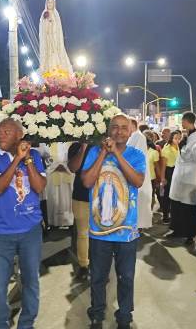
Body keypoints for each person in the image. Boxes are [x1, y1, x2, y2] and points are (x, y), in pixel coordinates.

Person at [81, 114, 145, 329]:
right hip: (99, 231)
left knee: (126, 277)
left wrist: (116, 153)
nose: (118, 131)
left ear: (130, 132)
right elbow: (88, 181)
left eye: (123, 128)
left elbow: (137, 180)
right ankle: (97, 313)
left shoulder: (136, 154)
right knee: (98, 276)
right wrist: (102, 154)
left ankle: (125, 316)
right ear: (108, 130)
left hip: (126, 230)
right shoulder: (93, 152)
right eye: (114, 127)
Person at [0, 118, 47, 329]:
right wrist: (16, 160)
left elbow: (39, 187)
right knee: (0, 283)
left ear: (19, 135)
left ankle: (26, 324)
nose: (1, 134)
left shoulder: (36, 156)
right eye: (0, 131)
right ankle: (0, 324)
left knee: (31, 280)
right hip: (1, 232)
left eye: (6, 131)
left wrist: (27, 159)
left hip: (30, 230)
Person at [168, 112, 196, 245]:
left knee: (188, 208)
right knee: (177, 205)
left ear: (186, 121)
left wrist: (181, 145)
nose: (181, 124)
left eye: (182, 121)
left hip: (190, 177)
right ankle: (177, 230)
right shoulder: (188, 134)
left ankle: (190, 234)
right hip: (182, 176)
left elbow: (190, 155)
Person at [68, 142, 92, 280]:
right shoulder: (76, 147)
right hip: (81, 196)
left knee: (101, 233)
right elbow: (72, 168)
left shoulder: (103, 144)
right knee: (83, 234)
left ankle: (100, 263)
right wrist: (83, 147)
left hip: (100, 197)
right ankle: (83, 265)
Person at [127, 119, 152, 229]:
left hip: (137, 171)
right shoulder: (135, 136)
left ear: (133, 125)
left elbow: (132, 152)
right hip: (135, 170)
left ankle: (138, 224)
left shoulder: (138, 136)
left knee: (138, 201)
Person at [44, 142, 74, 227]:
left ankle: (68, 222)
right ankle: (53, 223)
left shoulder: (72, 142)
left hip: (68, 173)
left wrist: (65, 167)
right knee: (54, 197)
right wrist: (54, 167)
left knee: (67, 198)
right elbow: (44, 158)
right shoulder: (47, 142)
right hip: (52, 173)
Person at [160, 130, 180, 225]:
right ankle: (165, 215)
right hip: (169, 171)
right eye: (176, 138)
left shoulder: (180, 147)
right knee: (167, 195)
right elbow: (163, 165)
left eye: (179, 138)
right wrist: (163, 178)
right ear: (171, 138)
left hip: (178, 172)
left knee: (175, 195)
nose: (178, 140)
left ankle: (174, 215)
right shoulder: (167, 148)